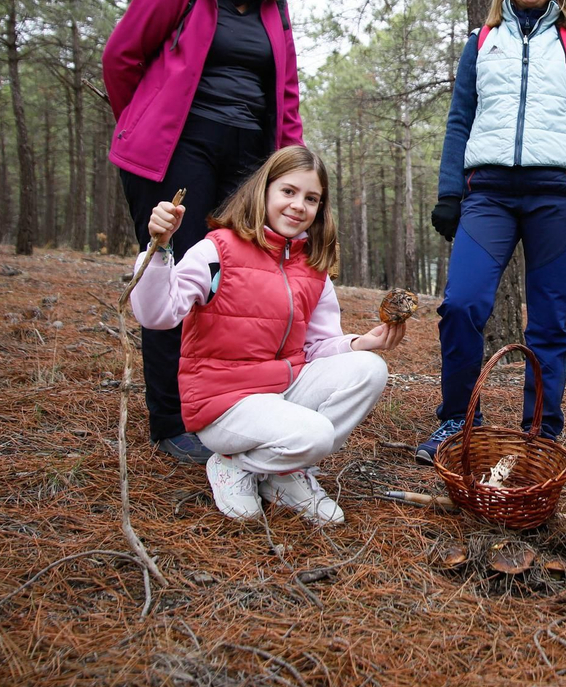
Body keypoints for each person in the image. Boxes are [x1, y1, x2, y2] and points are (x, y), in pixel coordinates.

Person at [103, 0, 304, 465]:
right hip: (179, 151)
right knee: (175, 276)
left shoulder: (275, 2)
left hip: (249, 157)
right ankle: (169, 420)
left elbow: (285, 90)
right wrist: (144, 123)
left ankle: (220, 406)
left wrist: (286, 167)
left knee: (233, 283)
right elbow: (122, 58)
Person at [128, 145, 403, 524]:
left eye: (311, 198)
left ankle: (280, 471)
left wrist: (360, 343)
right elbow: (157, 314)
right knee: (318, 435)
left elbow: (317, 346)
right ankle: (234, 467)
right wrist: (159, 249)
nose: (298, 206)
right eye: (288, 192)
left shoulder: (312, 267)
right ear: (264, 191)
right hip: (222, 402)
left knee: (370, 368)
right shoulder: (217, 249)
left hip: (280, 391)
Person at [419, 0, 566, 463]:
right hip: (489, 195)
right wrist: (448, 192)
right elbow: (459, 119)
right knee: (461, 305)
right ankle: (458, 422)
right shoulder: (483, 40)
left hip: (558, 195)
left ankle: (540, 437)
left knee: (548, 322)